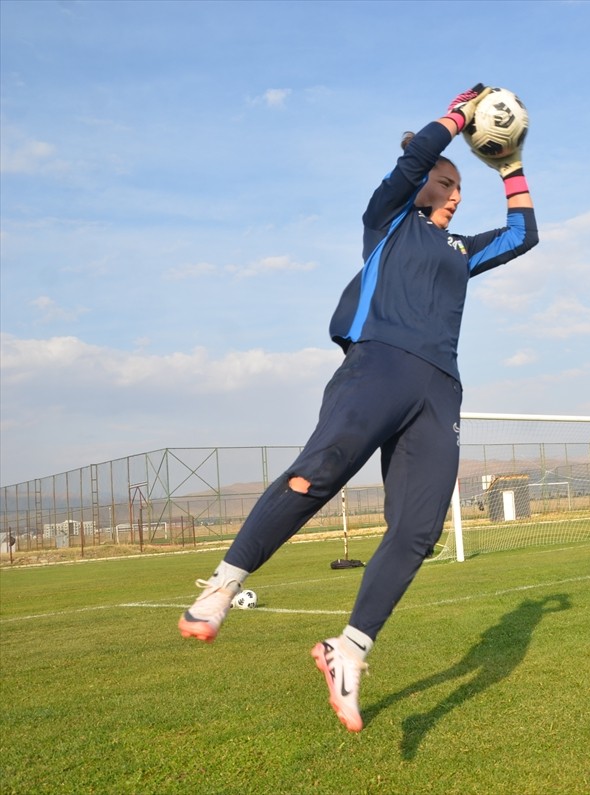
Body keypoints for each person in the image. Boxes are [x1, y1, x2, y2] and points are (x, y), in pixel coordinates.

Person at [177, 85, 539, 732]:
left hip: (439, 389)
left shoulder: (460, 252)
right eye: (446, 182)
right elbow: (417, 158)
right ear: (420, 183)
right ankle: (223, 584)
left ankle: (347, 651)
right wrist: (457, 118)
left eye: (461, 187)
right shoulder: (388, 220)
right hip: (377, 364)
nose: (456, 194)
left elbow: (523, 232)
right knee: (319, 472)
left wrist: (510, 163)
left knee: (418, 530)